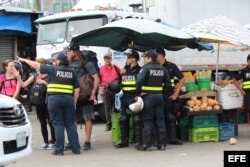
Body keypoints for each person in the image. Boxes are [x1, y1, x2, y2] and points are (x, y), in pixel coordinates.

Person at [17, 53, 81, 156]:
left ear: (59, 61)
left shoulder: (53, 69)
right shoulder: (72, 72)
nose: (55, 61)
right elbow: (77, 89)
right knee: (70, 124)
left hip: (54, 99)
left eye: (56, 60)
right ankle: (76, 149)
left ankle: (59, 150)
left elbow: (36, 65)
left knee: (58, 124)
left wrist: (24, 60)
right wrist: (74, 102)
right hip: (68, 99)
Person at [14, 58, 56, 150]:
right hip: (39, 103)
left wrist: (44, 82)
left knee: (51, 122)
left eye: (36, 64)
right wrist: (18, 77)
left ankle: (53, 142)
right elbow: (24, 85)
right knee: (42, 123)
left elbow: (55, 87)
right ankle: (46, 142)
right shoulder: (35, 75)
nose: (34, 66)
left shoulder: (51, 74)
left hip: (49, 102)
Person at [136, 50, 171, 151]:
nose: (144, 59)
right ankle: (162, 144)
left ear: (149, 58)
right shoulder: (163, 69)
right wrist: (163, 94)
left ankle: (147, 145)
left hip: (148, 98)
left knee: (147, 120)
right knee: (160, 120)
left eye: (145, 57)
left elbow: (139, 81)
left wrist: (138, 93)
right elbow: (168, 84)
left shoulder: (146, 68)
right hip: (159, 98)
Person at [67, 42, 100, 150]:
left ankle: (87, 141)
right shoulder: (68, 63)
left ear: (74, 51)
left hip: (86, 96)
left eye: (69, 51)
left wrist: (93, 93)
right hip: (73, 96)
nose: (68, 53)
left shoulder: (87, 63)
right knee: (73, 120)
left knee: (87, 118)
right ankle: (73, 141)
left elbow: (97, 78)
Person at [156, 48, 185, 145]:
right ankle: (161, 140)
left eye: (156, 55)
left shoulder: (171, 66)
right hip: (156, 96)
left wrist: (176, 93)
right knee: (159, 118)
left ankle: (173, 138)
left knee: (171, 117)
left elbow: (182, 78)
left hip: (168, 96)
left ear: (160, 55)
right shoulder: (153, 67)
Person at [115, 50, 142, 149]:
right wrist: (120, 74)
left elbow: (142, 83)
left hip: (135, 97)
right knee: (123, 119)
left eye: (129, 57)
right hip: (125, 97)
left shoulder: (140, 70)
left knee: (137, 120)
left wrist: (139, 95)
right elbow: (118, 83)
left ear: (134, 59)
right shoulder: (124, 69)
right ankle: (124, 141)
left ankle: (138, 141)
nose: (127, 59)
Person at [99, 51, 120, 131]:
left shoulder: (115, 67)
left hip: (115, 90)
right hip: (106, 89)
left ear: (111, 59)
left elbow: (120, 76)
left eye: (108, 58)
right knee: (107, 108)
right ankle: (108, 124)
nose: (107, 60)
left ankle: (117, 123)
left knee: (116, 107)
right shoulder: (101, 69)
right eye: (105, 59)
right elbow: (100, 80)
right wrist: (100, 90)